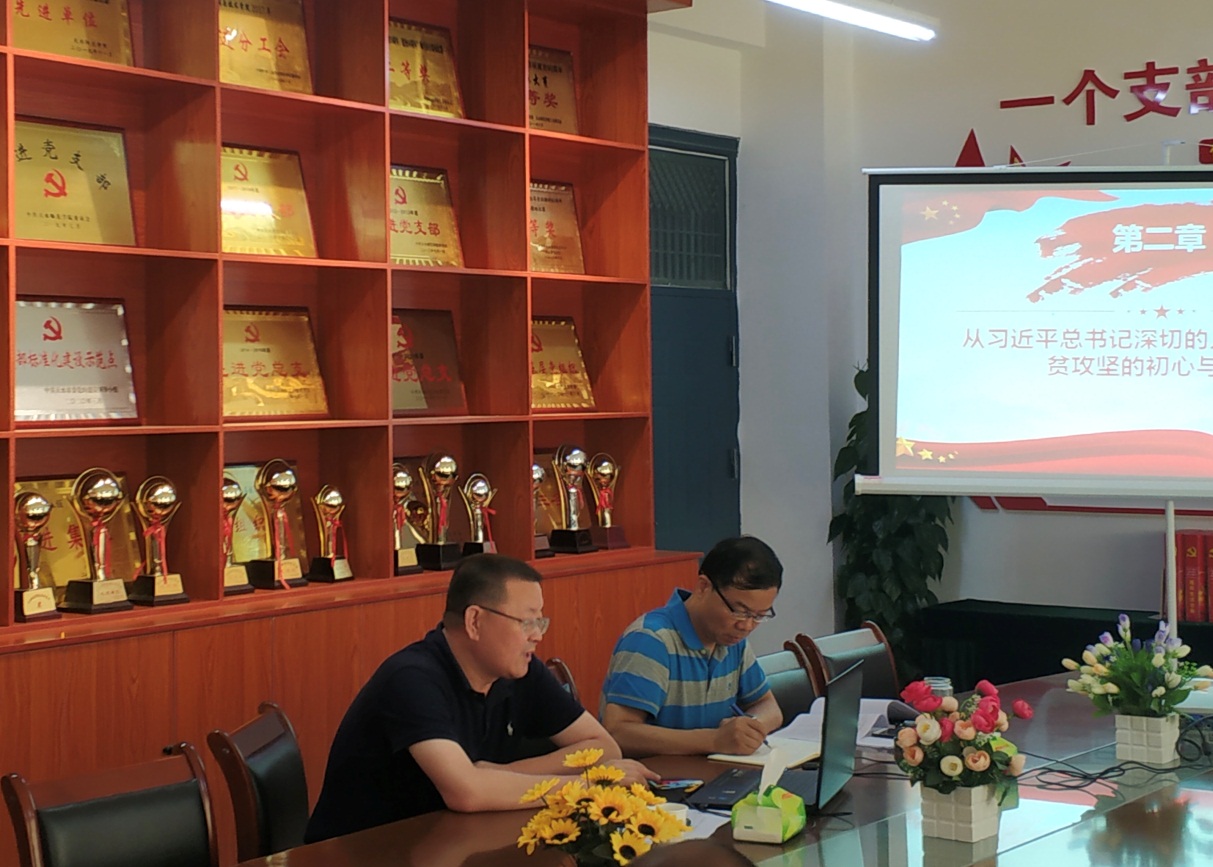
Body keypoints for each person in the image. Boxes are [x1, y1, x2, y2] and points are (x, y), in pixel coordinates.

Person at [305, 553, 656, 842]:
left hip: (450, 843)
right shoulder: (411, 678)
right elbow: (467, 792)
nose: (537, 636)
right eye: (527, 622)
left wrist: (503, 773)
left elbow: (603, 747)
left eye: (541, 622)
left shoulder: (520, 670)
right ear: (474, 621)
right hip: (363, 853)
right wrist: (586, 785)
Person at [600, 536, 784, 758]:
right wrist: (714, 740)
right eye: (739, 611)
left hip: (711, 771)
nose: (746, 626)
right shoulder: (651, 639)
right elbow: (618, 732)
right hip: (653, 776)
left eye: (759, 616)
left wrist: (750, 729)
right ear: (704, 587)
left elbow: (768, 706)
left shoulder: (733, 641)